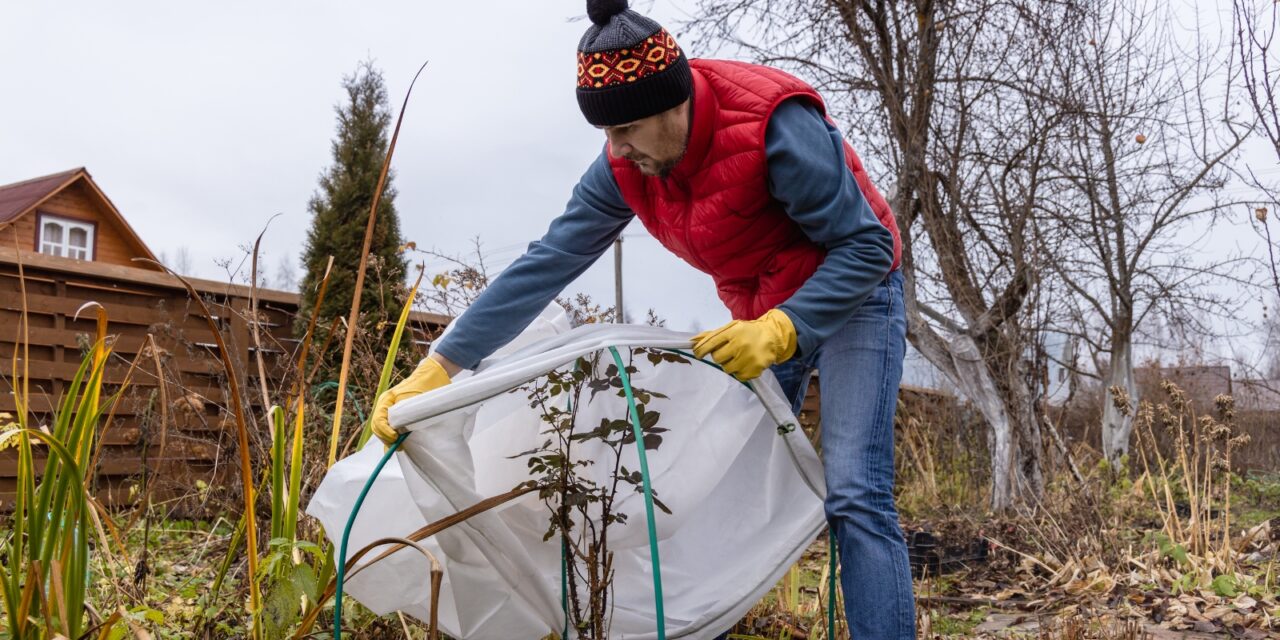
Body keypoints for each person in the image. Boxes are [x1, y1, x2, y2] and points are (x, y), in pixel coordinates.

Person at [370, 0, 914, 636]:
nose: (616, 148)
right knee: (725, 491)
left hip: (854, 291)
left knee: (853, 491)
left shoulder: (772, 126)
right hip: (758, 308)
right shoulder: (624, 166)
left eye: (625, 128)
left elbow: (867, 245)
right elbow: (548, 261)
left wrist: (784, 329)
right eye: (605, 134)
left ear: (674, 103)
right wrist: (443, 363)